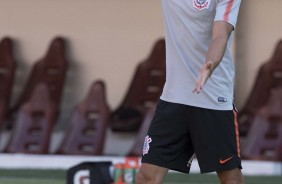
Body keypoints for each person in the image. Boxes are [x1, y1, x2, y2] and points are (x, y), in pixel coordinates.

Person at [135, 0, 244, 184]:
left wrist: (209, 65)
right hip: (173, 97)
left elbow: (220, 34)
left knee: (230, 179)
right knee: (146, 177)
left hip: (213, 98)